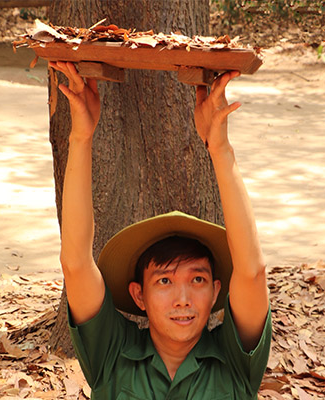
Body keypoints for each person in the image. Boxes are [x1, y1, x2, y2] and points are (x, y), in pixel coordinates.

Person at [50, 61, 271, 398]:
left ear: (215, 292)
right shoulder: (112, 354)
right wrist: (81, 137)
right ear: (139, 294)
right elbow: (76, 263)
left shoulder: (235, 359)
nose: (182, 300)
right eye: (164, 281)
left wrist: (221, 149)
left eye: (197, 280)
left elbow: (252, 272)